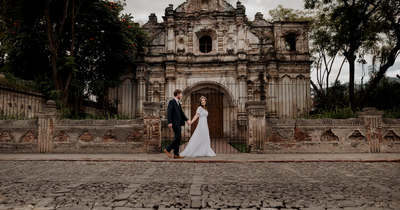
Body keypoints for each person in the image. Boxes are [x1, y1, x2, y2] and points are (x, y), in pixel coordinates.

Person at [164, 89, 191, 158]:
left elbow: (181, 113)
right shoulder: (172, 102)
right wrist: (169, 122)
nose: (181, 96)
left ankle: (176, 154)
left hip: (178, 122)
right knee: (178, 137)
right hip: (174, 122)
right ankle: (168, 149)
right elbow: (169, 112)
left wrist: (187, 120)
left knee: (178, 137)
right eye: (181, 94)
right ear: (178, 94)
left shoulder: (178, 103)